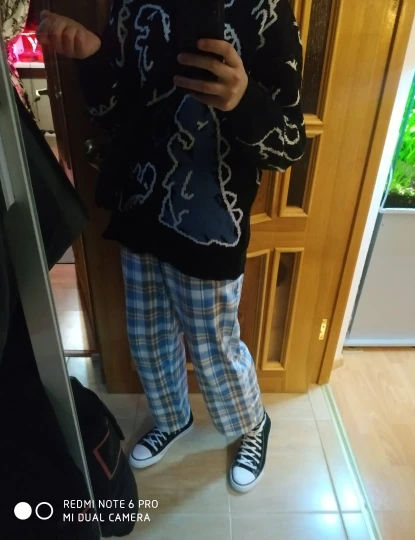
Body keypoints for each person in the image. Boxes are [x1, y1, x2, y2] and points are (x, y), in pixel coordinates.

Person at [37, 0, 306, 493]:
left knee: (214, 346)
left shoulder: (266, 9)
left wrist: (243, 100)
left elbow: (290, 144)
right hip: (138, 209)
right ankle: (172, 418)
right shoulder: (132, 3)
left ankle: (253, 424)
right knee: (148, 336)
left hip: (211, 222)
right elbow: (112, 114)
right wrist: (94, 55)